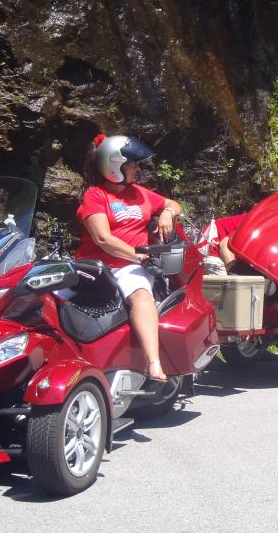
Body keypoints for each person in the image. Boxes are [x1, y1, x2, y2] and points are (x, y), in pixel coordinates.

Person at [76, 133, 183, 382]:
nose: (137, 169)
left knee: (141, 297)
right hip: (96, 266)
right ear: (114, 166)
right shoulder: (95, 196)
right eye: (132, 164)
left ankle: (152, 363)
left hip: (130, 266)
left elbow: (175, 204)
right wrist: (140, 257)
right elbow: (103, 239)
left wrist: (167, 212)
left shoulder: (141, 193)